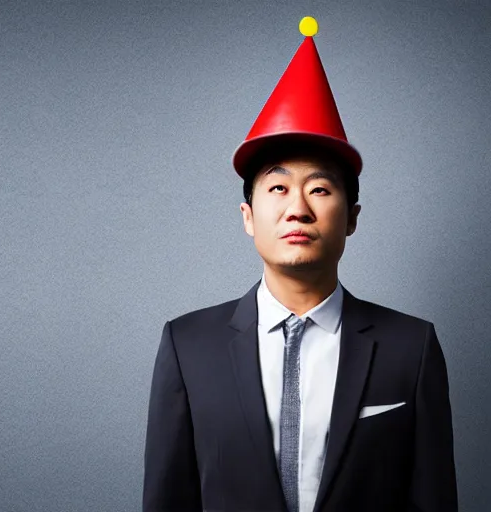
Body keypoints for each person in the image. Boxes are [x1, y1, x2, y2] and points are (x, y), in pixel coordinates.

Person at [142, 16, 458, 512]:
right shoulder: (187, 345)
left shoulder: (411, 348)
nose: (298, 208)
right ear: (248, 216)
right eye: (277, 188)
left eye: (320, 189)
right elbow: (167, 498)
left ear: (351, 218)